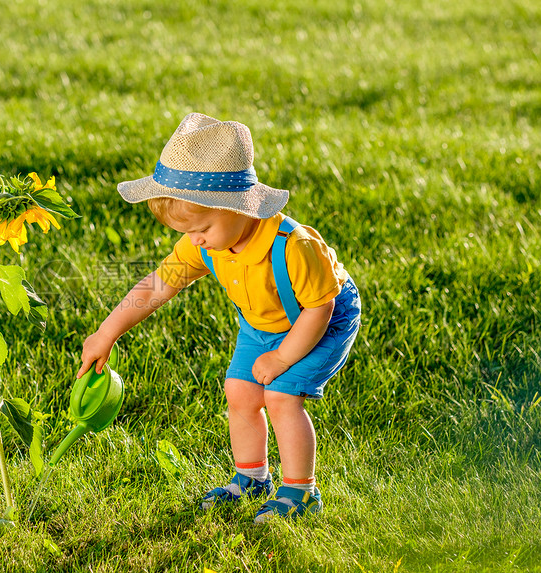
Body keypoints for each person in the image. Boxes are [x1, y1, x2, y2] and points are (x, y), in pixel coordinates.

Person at [77, 113, 362, 522]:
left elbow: (322, 307)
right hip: (261, 322)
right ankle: (252, 478)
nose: (194, 240)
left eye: (202, 228)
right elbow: (159, 284)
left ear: (239, 207)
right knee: (240, 391)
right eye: (187, 232)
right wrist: (107, 332)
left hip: (321, 320)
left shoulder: (293, 246)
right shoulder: (206, 242)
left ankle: (301, 492)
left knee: (281, 395)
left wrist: (281, 359)